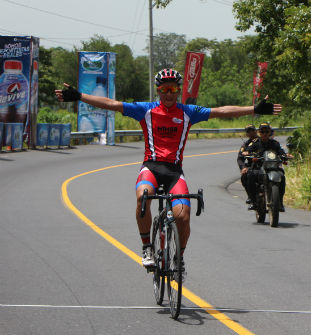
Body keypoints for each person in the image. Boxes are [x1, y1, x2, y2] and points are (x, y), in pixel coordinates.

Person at [55, 68, 282, 273]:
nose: (169, 94)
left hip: (174, 172)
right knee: (143, 196)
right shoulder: (146, 110)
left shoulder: (188, 112)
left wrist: (255, 109)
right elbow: (112, 104)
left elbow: (222, 111)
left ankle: (179, 257)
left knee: (183, 215)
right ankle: (147, 247)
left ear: (178, 90)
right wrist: (79, 96)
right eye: (164, 90)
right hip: (151, 167)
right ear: (158, 91)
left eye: (173, 89)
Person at [245, 122, 288, 212]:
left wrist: (285, 156)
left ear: (270, 133)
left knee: (282, 177)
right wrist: (248, 153)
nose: (264, 134)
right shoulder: (255, 142)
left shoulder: (275, 143)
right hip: (259, 166)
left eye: (266, 132)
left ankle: (280, 202)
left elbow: (281, 151)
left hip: (273, 167)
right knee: (250, 176)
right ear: (259, 133)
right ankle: (253, 201)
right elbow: (248, 150)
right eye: (262, 132)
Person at [236, 124, 258, 204]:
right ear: (246, 134)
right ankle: (250, 196)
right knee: (245, 176)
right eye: (248, 131)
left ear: (256, 131)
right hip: (252, 165)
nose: (251, 132)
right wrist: (243, 168)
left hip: (265, 163)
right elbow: (240, 158)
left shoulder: (264, 140)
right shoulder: (245, 145)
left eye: (252, 130)